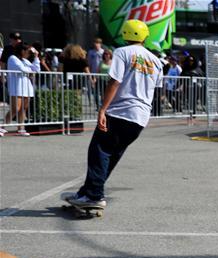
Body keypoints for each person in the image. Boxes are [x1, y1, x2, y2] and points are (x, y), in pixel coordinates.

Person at [61, 20, 163, 213]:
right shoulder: (155, 60)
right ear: (145, 36)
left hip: (119, 112)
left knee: (99, 151)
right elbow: (155, 89)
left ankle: (94, 195)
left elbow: (115, 82)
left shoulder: (123, 52)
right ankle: (87, 192)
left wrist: (102, 109)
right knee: (110, 155)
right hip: (139, 117)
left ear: (125, 34)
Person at [2, 43, 40, 136]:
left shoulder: (25, 60)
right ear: (22, 51)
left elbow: (37, 69)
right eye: (28, 51)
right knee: (15, 108)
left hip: (26, 87)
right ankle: (2, 127)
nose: (29, 54)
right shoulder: (12, 58)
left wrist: (36, 57)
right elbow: (23, 69)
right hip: (16, 87)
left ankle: (20, 128)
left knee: (23, 109)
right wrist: (31, 71)